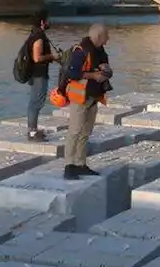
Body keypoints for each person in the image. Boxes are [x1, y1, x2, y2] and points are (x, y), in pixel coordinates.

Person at [60, 22, 113, 180]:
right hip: (80, 96)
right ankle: (69, 166)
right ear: (98, 36)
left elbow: (104, 69)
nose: (108, 39)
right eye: (106, 36)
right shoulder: (81, 51)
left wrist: (107, 72)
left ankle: (80, 164)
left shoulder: (100, 51)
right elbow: (72, 73)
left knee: (85, 132)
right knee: (75, 131)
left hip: (93, 96)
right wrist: (93, 76)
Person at [24, 9, 61, 142]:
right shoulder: (38, 37)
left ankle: (32, 130)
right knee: (37, 103)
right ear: (42, 22)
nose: (49, 22)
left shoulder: (35, 33)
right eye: (48, 19)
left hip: (36, 74)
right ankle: (32, 132)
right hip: (38, 74)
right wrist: (53, 56)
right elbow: (37, 57)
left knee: (35, 102)